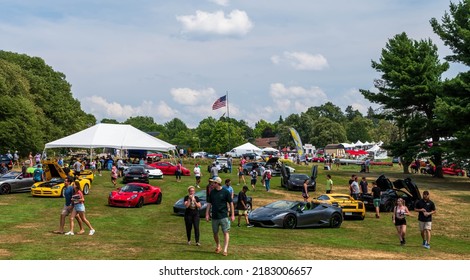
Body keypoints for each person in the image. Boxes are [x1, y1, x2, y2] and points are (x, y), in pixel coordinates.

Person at [205, 177, 235, 256]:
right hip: (214, 216)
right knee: (215, 233)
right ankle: (218, 245)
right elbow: (209, 204)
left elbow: (231, 203)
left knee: (226, 232)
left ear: (217, 183)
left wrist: (232, 215)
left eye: (213, 183)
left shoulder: (225, 192)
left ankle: (225, 249)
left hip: (223, 216)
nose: (212, 184)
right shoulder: (212, 192)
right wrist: (207, 214)